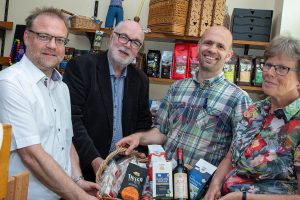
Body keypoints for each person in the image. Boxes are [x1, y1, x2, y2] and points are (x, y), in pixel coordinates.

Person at [116, 26, 252, 167]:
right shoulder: (177, 87)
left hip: (201, 186)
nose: (212, 49)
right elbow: (160, 133)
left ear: (229, 55)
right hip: (164, 177)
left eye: (220, 46)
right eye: (208, 43)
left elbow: (238, 153)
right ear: (198, 46)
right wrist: (138, 138)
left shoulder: (239, 99)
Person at [0, 7, 99, 200]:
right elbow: (32, 154)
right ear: (27, 38)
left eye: (60, 40)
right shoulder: (10, 83)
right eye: (44, 36)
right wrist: (79, 196)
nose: (53, 46)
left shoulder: (61, 87)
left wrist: (77, 180)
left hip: (61, 194)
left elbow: (66, 141)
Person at [204, 36, 300, 200]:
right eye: (268, 65)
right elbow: (230, 156)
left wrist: (243, 197)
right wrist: (215, 184)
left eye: (282, 68)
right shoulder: (254, 110)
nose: (269, 72)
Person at [63, 20, 152, 181]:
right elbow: (71, 119)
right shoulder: (81, 67)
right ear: (111, 37)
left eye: (135, 42)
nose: (127, 45)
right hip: (84, 167)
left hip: (123, 168)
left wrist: (137, 151)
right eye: (123, 37)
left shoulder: (141, 80)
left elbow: (143, 122)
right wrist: (94, 160)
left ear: (139, 49)